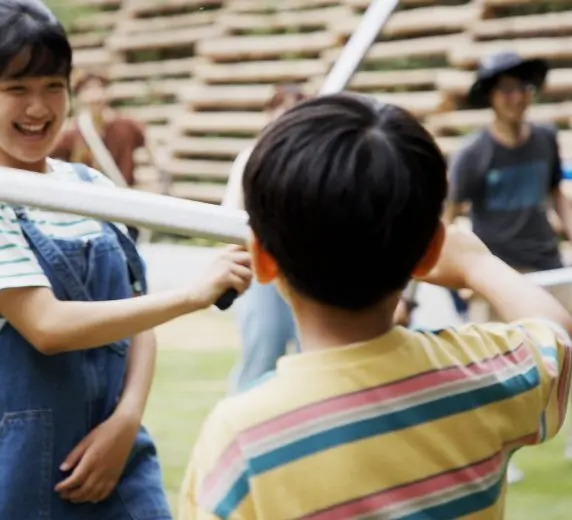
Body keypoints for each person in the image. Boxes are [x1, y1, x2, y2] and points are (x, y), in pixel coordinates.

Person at [178, 93, 572, 519]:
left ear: (262, 259)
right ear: (429, 253)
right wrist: (478, 263)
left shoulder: (239, 440)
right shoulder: (483, 374)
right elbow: (556, 332)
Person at [0, 1, 251, 518]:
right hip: (11, 475)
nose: (39, 108)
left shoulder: (88, 187)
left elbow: (135, 315)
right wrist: (192, 294)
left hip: (118, 457)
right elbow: (48, 326)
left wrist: (126, 421)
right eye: (17, 89)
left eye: (54, 86)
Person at [446, 50, 572, 477]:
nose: (516, 98)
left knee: (567, 353)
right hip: (497, 273)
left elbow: (557, 193)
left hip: (548, 265)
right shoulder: (473, 154)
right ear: (492, 97)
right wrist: (460, 273)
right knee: (487, 369)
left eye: (522, 88)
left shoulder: (545, 139)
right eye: (506, 90)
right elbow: (449, 214)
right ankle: (493, 452)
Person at [221, 83, 305, 393]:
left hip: (304, 269)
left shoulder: (313, 163)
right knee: (263, 349)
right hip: (261, 269)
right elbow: (231, 217)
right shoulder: (251, 158)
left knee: (311, 354)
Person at [50, 71, 152, 241]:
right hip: (90, 213)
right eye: (88, 89)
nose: (94, 95)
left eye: (99, 88)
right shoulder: (73, 133)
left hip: (123, 208)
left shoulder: (127, 125)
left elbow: (152, 151)